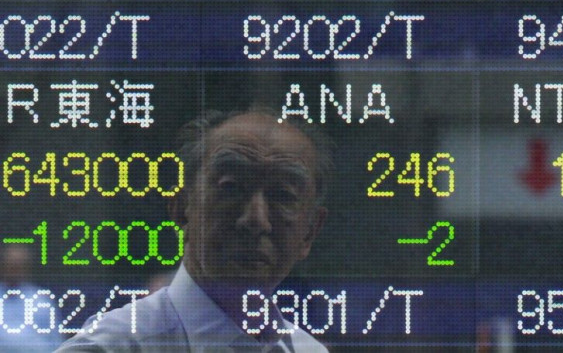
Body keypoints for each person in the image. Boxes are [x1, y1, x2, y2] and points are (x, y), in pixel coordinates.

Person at [56, 110, 330, 352]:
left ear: (310, 232)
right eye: (232, 188)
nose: (256, 220)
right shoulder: (112, 347)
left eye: (282, 195)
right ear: (181, 207)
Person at [0, 245, 64, 352]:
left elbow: (56, 341)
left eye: (18, 266)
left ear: (27, 268)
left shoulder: (42, 300)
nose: (14, 270)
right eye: (11, 266)